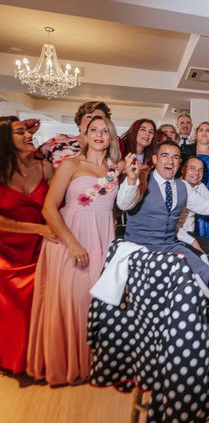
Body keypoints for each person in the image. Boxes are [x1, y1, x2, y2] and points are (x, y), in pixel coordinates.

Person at [27, 116, 121, 385]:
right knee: (73, 301)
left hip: (102, 238)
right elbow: (49, 208)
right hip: (71, 238)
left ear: (112, 137)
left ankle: (95, 364)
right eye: (94, 130)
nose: (99, 134)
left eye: (105, 131)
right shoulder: (70, 165)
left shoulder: (114, 169)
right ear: (85, 134)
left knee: (97, 303)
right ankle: (68, 365)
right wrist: (72, 243)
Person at [116, 140, 209, 285]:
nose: (170, 161)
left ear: (179, 162)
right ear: (155, 159)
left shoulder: (183, 187)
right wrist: (131, 180)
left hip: (170, 246)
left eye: (175, 157)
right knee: (172, 278)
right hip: (141, 248)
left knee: (205, 272)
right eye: (165, 155)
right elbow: (124, 204)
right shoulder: (142, 178)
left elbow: (208, 208)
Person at [0, 117, 55, 374]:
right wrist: (39, 228)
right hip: (6, 252)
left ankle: (36, 360)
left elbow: (55, 207)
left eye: (28, 130)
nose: (29, 134)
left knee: (39, 300)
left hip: (39, 248)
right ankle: (11, 360)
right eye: (19, 132)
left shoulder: (44, 167)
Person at [38, 100, 111, 168]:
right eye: (89, 117)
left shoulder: (108, 149)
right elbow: (31, 161)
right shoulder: (60, 140)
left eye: (99, 118)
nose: (94, 121)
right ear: (79, 122)